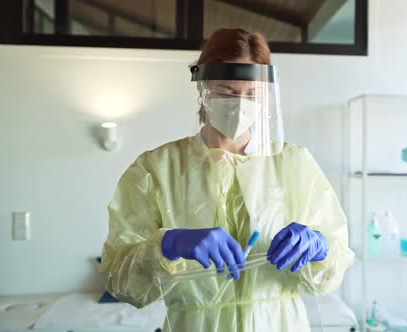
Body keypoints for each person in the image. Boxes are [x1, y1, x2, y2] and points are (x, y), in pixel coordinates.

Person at [100, 28, 354, 332]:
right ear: (202, 87)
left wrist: (319, 246)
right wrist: (170, 244)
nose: (240, 105)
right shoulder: (155, 170)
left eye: (252, 95)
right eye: (227, 92)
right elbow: (121, 281)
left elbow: (332, 269)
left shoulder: (293, 164)